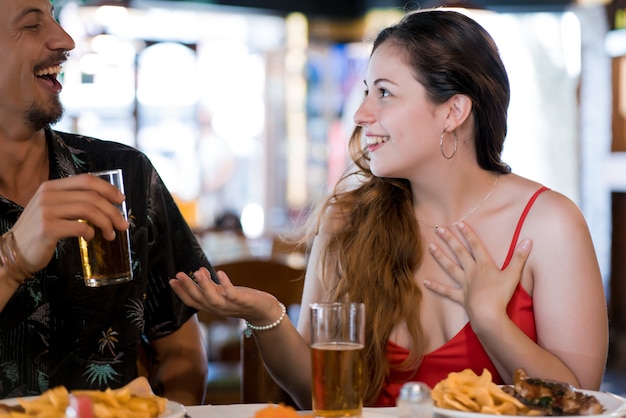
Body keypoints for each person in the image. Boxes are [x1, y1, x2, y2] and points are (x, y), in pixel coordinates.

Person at [169, 8, 609, 408]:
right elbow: (315, 397)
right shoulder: (347, 220)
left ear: (453, 111)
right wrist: (266, 315)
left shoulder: (550, 224)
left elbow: (583, 403)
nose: (361, 114)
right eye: (366, 91)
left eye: (384, 93)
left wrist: (492, 320)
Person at [0, 0, 212, 405]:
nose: (65, 40)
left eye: (55, 18)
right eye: (31, 25)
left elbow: (184, 358)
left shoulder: (124, 175)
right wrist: (11, 260)